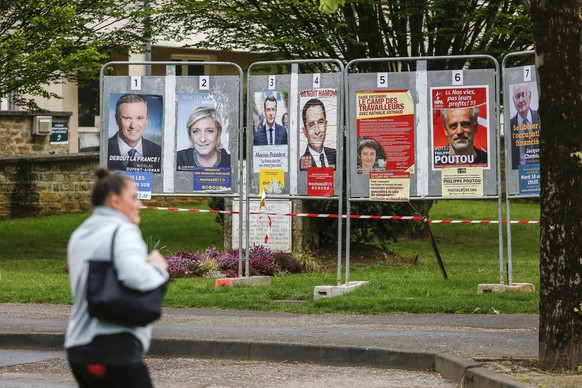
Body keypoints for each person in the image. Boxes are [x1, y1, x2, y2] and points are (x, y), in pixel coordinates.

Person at [65, 168, 169, 388]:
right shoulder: (123, 231)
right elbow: (135, 276)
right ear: (115, 200)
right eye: (133, 197)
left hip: (78, 348)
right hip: (113, 347)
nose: (139, 203)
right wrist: (158, 268)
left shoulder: (80, 233)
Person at [107, 94, 162, 173]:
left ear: (146, 120)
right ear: (116, 119)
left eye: (139, 118)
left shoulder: (158, 152)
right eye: (127, 118)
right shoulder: (105, 149)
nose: (133, 126)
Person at [177, 106, 231, 170]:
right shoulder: (179, 158)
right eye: (196, 131)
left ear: (218, 133)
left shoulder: (230, 160)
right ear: (190, 134)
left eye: (209, 131)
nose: (203, 139)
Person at [299, 98, 337, 170]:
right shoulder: (301, 165)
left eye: (320, 122)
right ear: (305, 131)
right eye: (311, 125)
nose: (317, 131)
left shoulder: (335, 155)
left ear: (326, 124)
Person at [509, 83, 541, 169]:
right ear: (513, 101)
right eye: (517, 96)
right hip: (519, 173)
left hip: (539, 172)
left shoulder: (540, 119)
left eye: (523, 94)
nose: (521, 100)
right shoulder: (510, 125)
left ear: (530, 96)